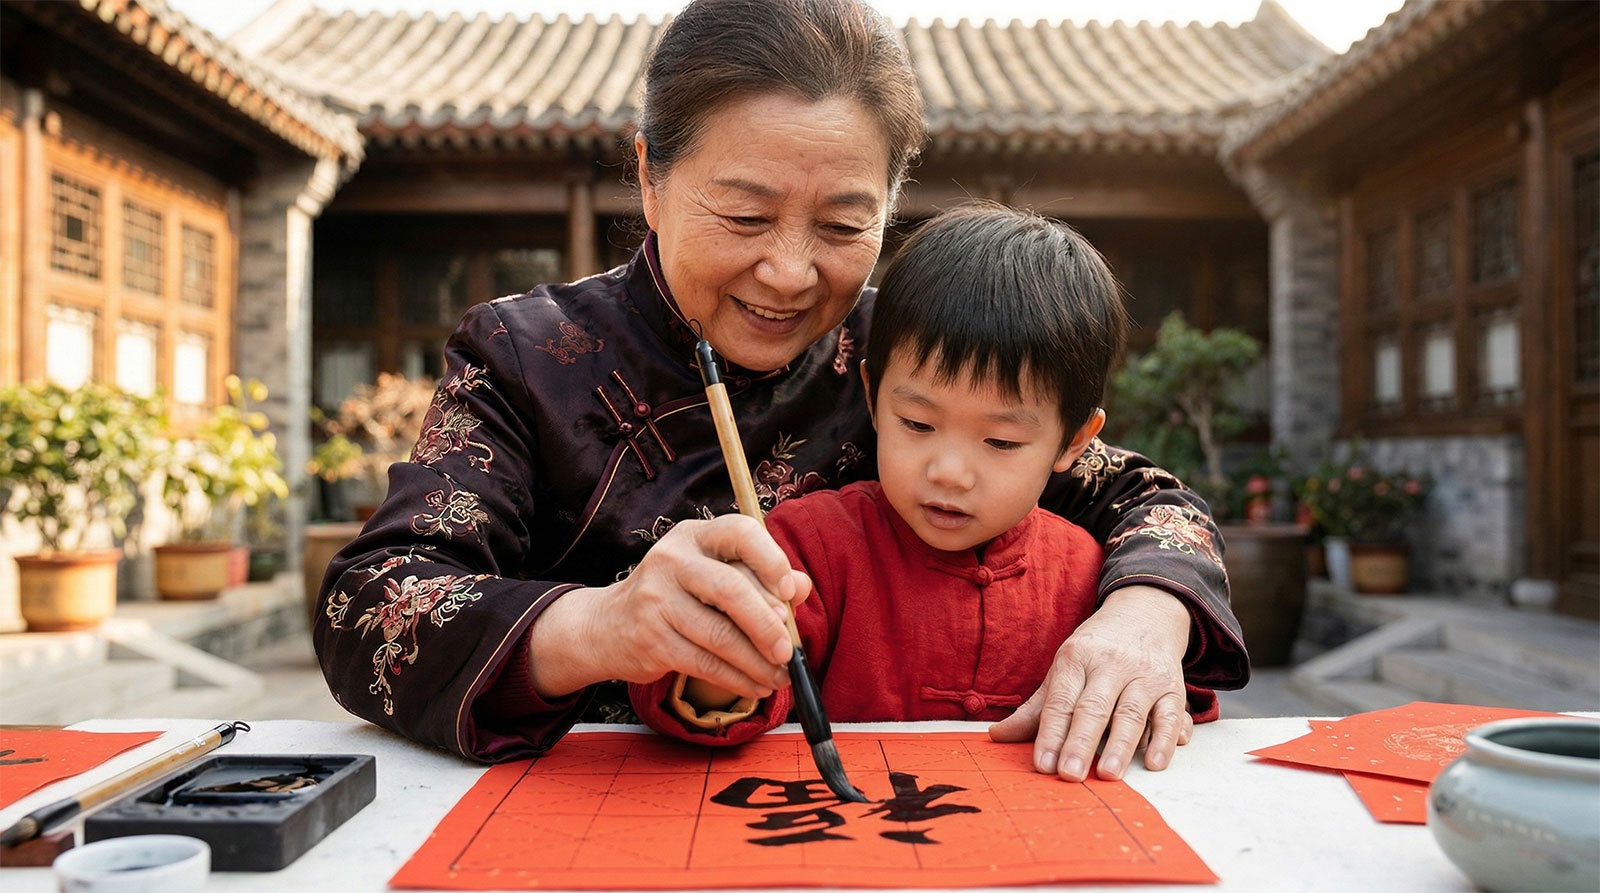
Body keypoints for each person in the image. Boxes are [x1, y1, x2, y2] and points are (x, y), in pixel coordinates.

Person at [313, 0, 1248, 782]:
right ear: (649, 177)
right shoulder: (526, 355)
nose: (791, 274)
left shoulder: (915, 351)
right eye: (746, 214)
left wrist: (1144, 616)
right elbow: (371, 605)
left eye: (844, 223)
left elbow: (1143, 496)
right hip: (599, 813)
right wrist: (599, 626)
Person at [629, 203, 1220, 747]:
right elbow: (722, 693)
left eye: (1001, 441)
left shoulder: (1094, 578)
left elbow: (1168, 709)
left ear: (1074, 441)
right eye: (917, 423)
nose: (950, 472)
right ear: (872, 395)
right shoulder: (810, 546)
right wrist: (720, 669)